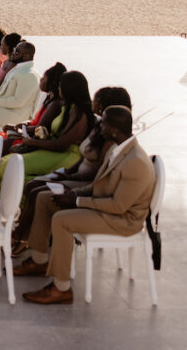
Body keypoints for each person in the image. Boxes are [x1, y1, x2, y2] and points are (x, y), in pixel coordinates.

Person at [17, 105, 156, 305]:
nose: (100, 127)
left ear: (114, 129)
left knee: (62, 221)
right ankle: (39, 260)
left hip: (122, 220)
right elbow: (97, 186)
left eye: (104, 123)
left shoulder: (136, 161)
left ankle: (61, 288)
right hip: (108, 208)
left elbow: (118, 207)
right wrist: (72, 193)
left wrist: (76, 201)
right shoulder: (117, 149)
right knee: (45, 199)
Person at [12, 86, 132, 251]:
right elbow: (84, 157)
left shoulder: (110, 139)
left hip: (86, 182)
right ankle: (25, 233)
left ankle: (21, 237)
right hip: (75, 174)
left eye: (95, 100)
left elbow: (98, 174)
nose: (92, 102)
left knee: (36, 191)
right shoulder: (98, 127)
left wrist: (69, 177)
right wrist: (66, 173)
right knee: (32, 185)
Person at [0, 70, 93, 190]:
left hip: (66, 155)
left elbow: (61, 145)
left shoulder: (80, 113)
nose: (59, 89)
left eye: (61, 86)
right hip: (55, 150)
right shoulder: (68, 108)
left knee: (10, 164)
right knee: (8, 161)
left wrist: (31, 142)